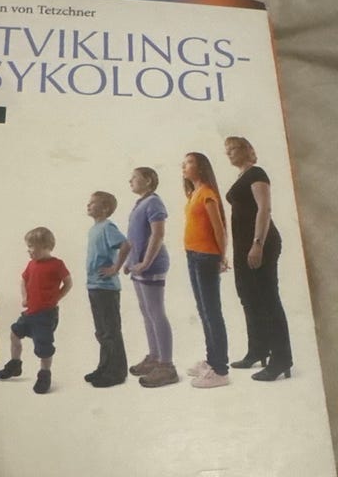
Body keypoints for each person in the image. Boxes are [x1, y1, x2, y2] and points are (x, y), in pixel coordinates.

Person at [224, 136, 293, 381]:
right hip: (243, 246)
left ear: (247, 149)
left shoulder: (256, 173)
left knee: (267, 298)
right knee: (249, 298)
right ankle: (258, 349)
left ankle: (282, 358)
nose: (229, 153)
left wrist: (258, 244)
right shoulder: (241, 176)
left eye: (233, 148)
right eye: (227, 150)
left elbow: (264, 208)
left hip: (260, 243)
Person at [0, 227, 72, 394]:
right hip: (30, 312)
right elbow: (23, 280)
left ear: (45, 246)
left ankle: (45, 374)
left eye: (31, 246)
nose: (28, 250)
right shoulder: (31, 264)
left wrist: (56, 298)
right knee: (14, 333)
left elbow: (68, 283)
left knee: (44, 347)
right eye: (28, 246)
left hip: (46, 314)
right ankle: (15, 364)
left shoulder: (57, 264)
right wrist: (24, 297)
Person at [125, 167, 179, 388]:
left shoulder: (154, 202)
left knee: (156, 312)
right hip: (139, 266)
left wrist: (146, 263)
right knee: (147, 313)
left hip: (152, 264)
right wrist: (130, 262)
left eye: (134, 178)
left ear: (147, 181)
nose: (130, 181)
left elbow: (158, 234)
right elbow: (136, 236)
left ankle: (167, 365)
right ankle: (155, 357)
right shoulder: (140, 203)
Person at [182, 152, 230, 388]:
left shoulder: (208, 193)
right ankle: (211, 361)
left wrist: (222, 256)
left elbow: (219, 229)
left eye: (189, 162)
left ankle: (220, 370)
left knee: (212, 311)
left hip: (206, 258)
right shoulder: (194, 193)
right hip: (193, 255)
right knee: (203, 310)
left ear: (201, 167)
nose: (184, 166)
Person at [84, 191, 131, 388]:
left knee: (110, 331)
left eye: (92, 203)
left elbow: (126, 245)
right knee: (101, 331)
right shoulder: (94, 229)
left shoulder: (107, 227)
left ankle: (117, 372)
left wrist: (115, 268)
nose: (88, 205)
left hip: (106, 288)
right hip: (94, 286)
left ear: (104, 208)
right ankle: (104, 367)